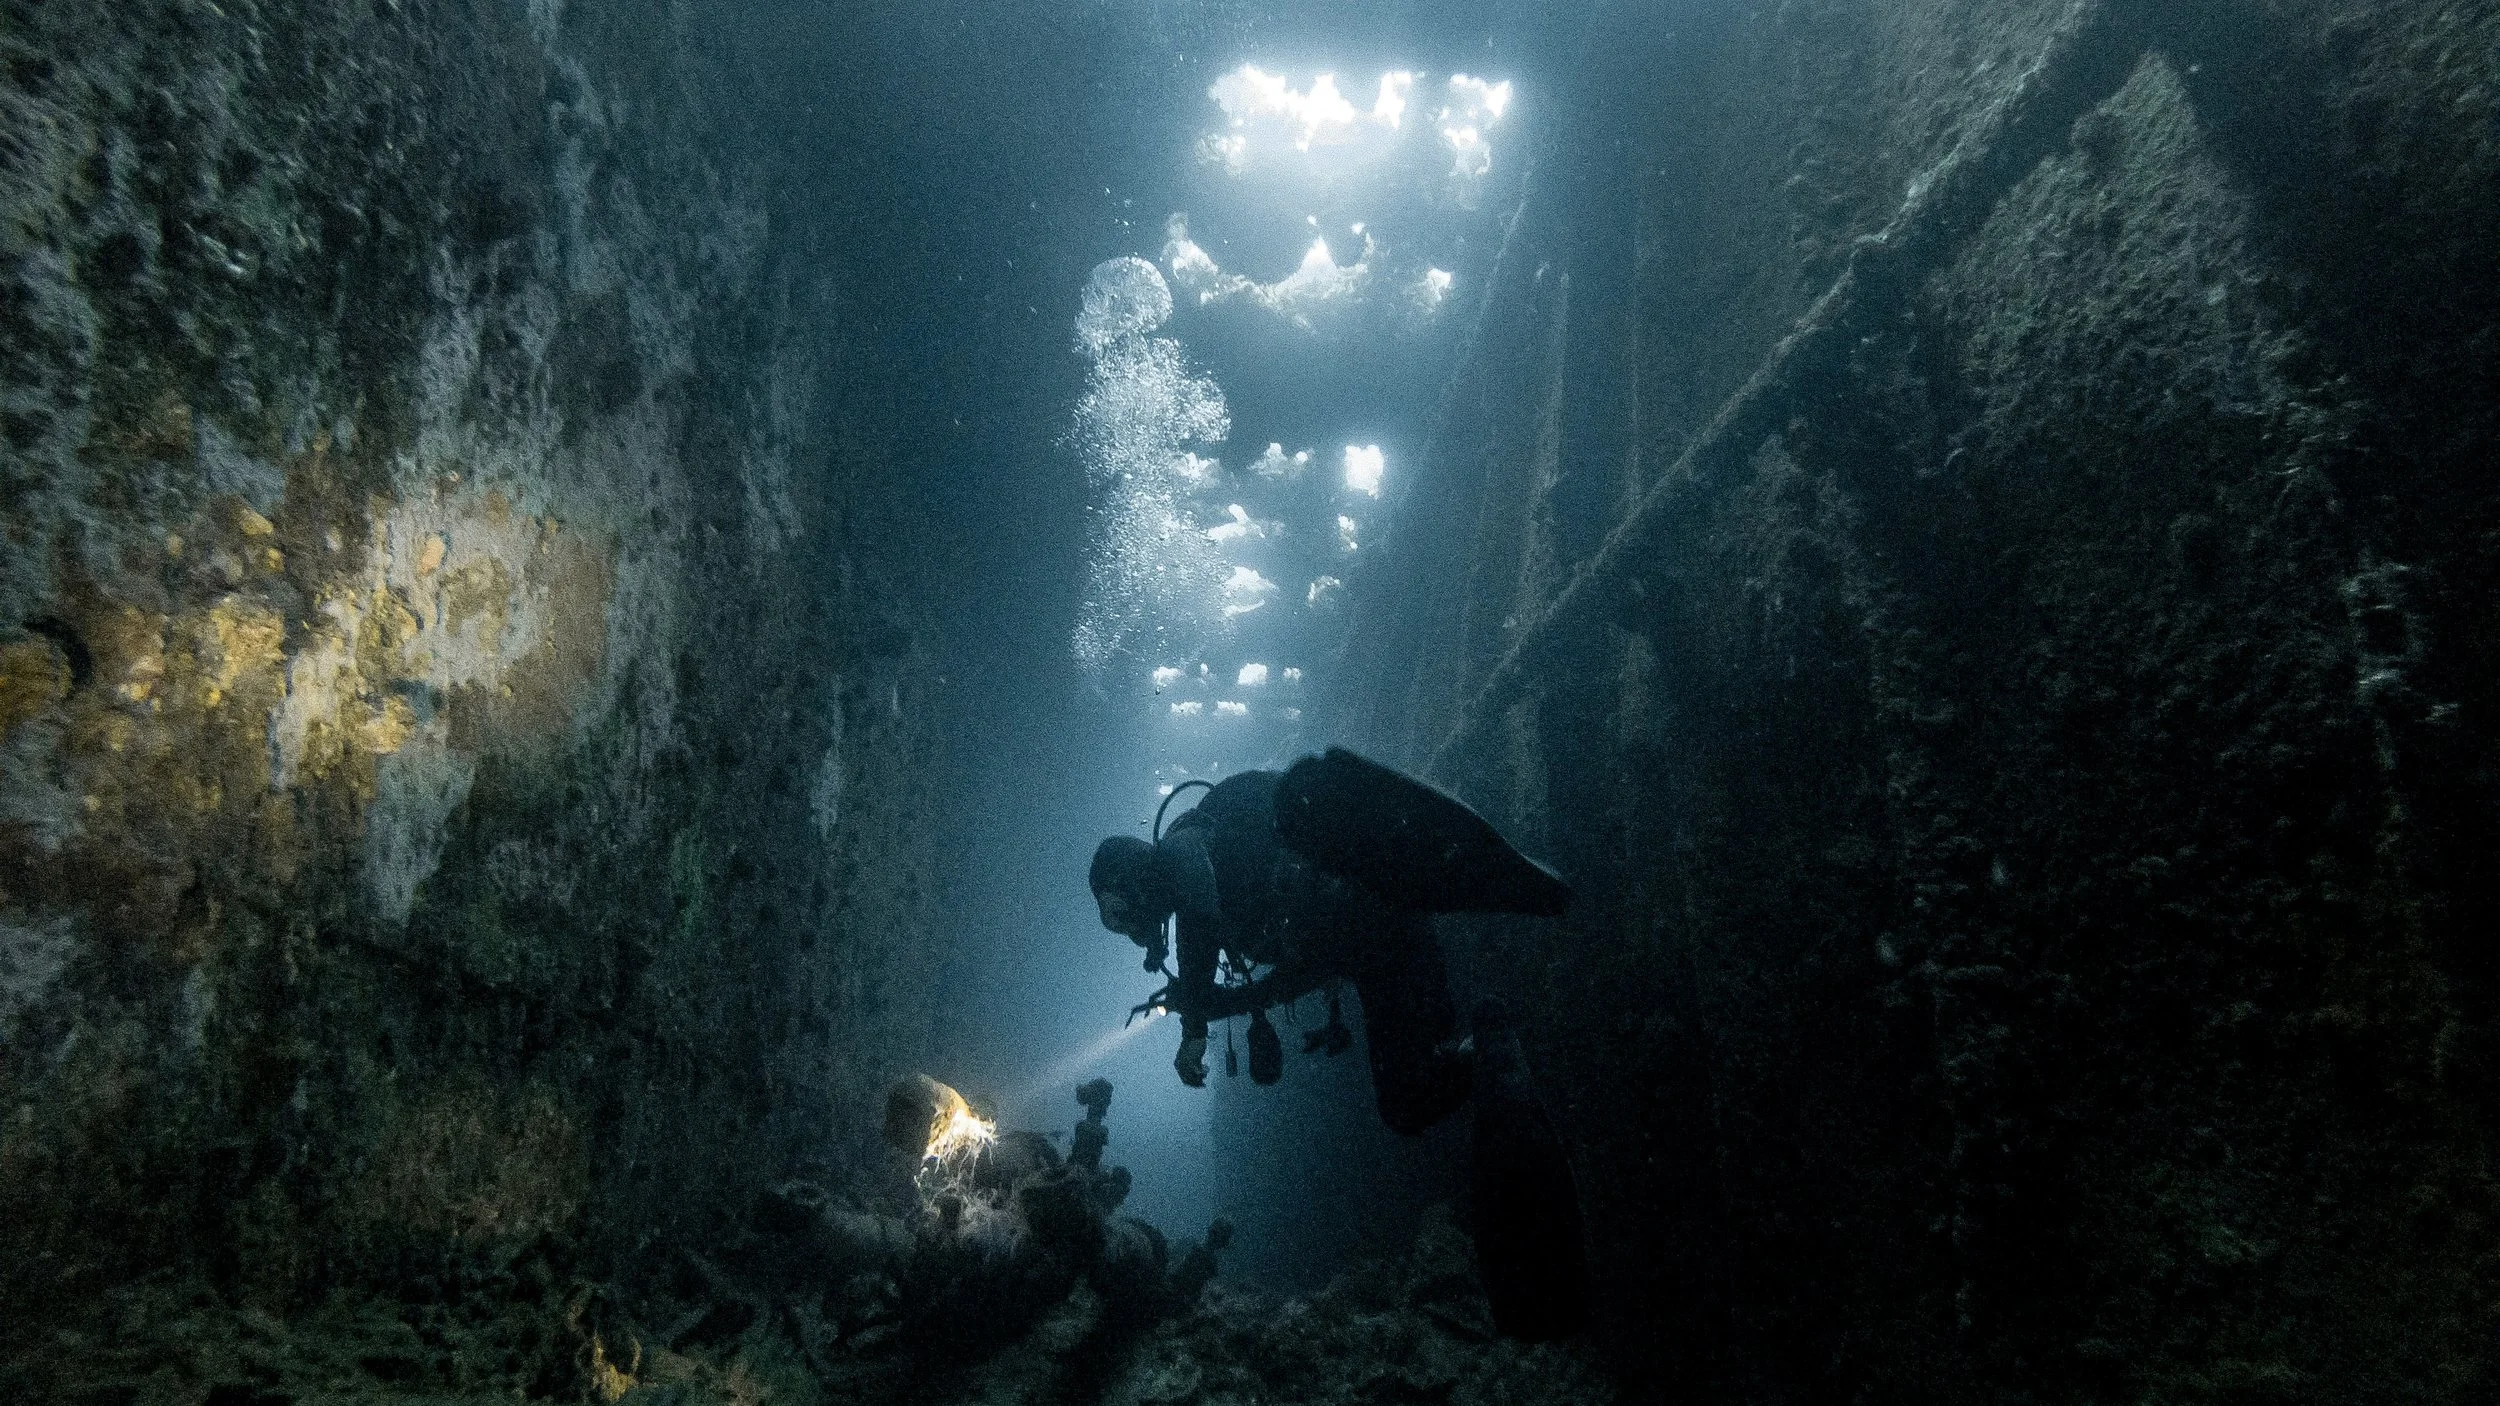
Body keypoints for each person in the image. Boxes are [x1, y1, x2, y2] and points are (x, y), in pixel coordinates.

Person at [1088, 747, 1570, 1136]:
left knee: (1409, 1098)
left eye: (1120, 914)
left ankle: (1508, 1036)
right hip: (1378, 949)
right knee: (1406, 1107)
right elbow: (1311, 967)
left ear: (1136, 879)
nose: (1130, 931)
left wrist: (1195, 1026)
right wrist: (1231, 1003)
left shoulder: (1187, 842)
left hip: (1377, 913)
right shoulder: (1220, 899)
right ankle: (1496, 1045)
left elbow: (1196, 904)